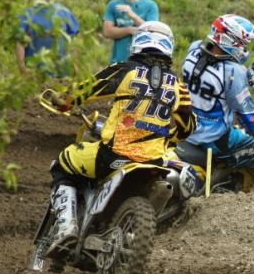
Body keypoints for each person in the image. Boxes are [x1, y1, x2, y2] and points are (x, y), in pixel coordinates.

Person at [47, 21, 196, 246]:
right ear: (169, 47)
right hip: (154, 162)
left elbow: (84, 90)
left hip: (113, 156)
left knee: (63, 163)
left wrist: (62, 101)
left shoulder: (125, 69)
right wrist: (169, 139)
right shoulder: (179, 86)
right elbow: (188, 127)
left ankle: (66, 226)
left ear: (138, 43)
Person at [181, 14, 254, 196]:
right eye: (243, 43)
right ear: (231, 41)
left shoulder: (193, 50)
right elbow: (249, 115)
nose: (244, 48)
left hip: (185, 127)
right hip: (213, 138)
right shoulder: (233, 71)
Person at [16, 0, 80, 77]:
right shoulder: (26, 15)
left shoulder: (63, 12)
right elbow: (20, 43)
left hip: (62, 73)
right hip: (36, 73)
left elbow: (74, 40)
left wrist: (75, 65)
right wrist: (23, 69)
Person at [103, 0, 160, 64]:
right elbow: (107, 31)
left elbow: (153, 32)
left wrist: (132, 15)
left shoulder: (150, 5)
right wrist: (129, 30)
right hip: (118, 62)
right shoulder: (113, 5)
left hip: (143, 63)